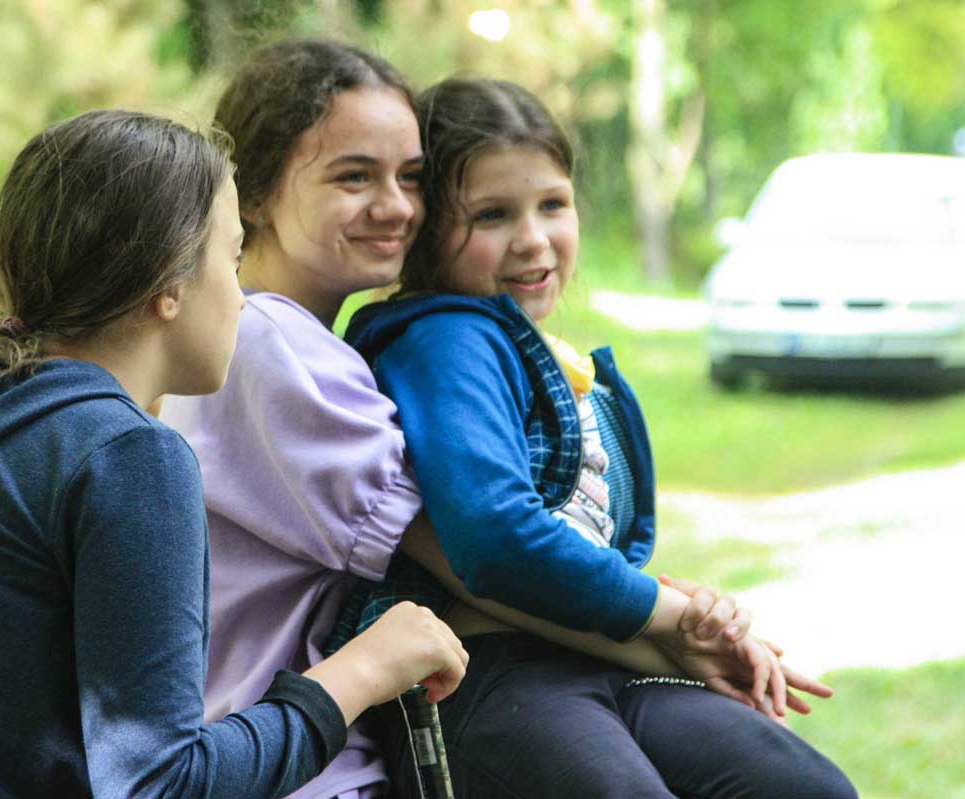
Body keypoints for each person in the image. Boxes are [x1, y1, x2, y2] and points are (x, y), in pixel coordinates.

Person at [155, 39, 792, 799]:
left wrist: (665, 630)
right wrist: (678, 627)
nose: (397, 206)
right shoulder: (277, 347)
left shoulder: (281, 340)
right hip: (288, 757)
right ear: (255, 193)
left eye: (410, 177)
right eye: (354, 176)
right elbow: (486, 557)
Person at [0, 109, 467, 797]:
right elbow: (162, 784)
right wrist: (363, 670)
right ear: (167, 284)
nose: (243, 300)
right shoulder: (123, 456)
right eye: (233, 260)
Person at [341, 76, 856, 798]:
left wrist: (684, 627)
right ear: (427, 231)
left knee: (803, 786)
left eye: (553, 204)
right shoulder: (445, 340)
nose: (533, 239)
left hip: (600, 660)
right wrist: (669, 613)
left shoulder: (545, 358)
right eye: (492, 215)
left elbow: (581, 550)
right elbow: (494, 536)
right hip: (482, 676)